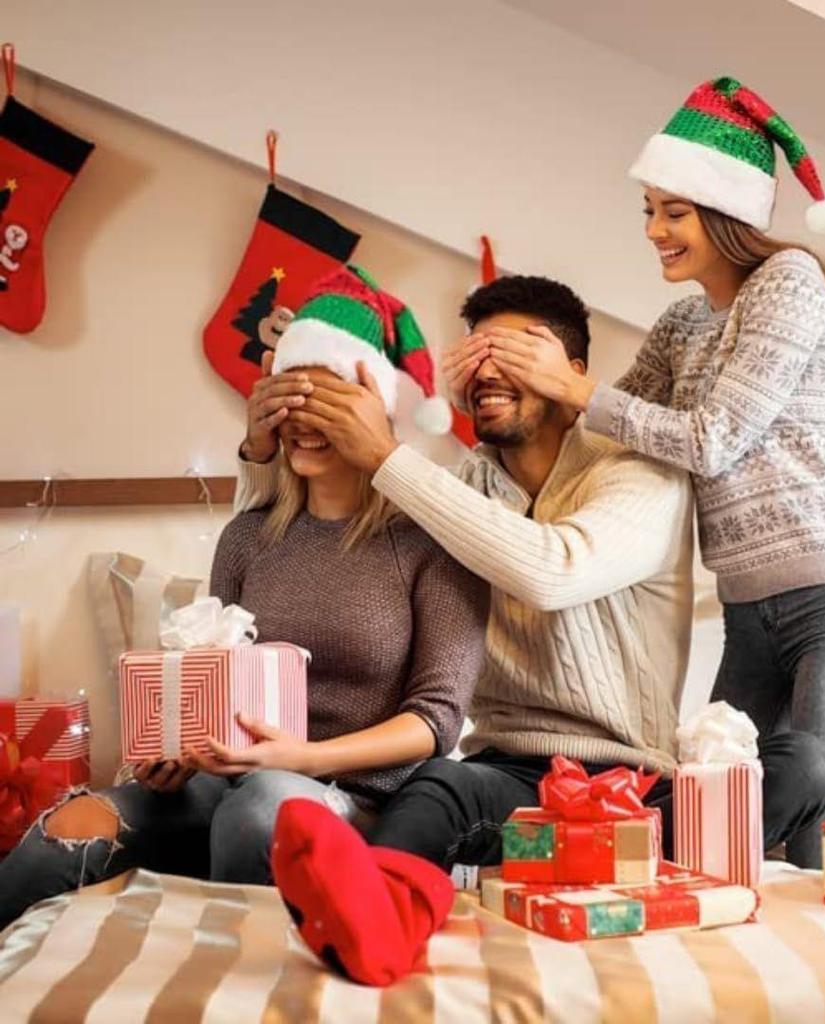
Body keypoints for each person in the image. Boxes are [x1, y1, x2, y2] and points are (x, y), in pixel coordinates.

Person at [234, 273, 825, 985]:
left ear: (575, 374)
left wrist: (389, 457)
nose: (494, 368)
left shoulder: (642, 472)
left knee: (803, 761)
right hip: (517, 778)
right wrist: (262, 450)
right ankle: (382, 918)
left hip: (640, 783)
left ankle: (643, 862)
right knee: (436, 788)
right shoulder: (454, 487)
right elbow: (312, 526)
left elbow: (554, 572)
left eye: (522, 350)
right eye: (478, 354)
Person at [448, 77, 825, 869]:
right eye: (648, 211)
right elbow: (603, 434)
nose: (654, 229)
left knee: (820, 834)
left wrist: (573, 387)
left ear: (727, 215)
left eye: (673, 212)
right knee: (716, 820)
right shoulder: (685, 320)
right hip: (748, 610)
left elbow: (711, 438)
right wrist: (498, 398)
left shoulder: (789, 280)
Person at [0, 267, 487, 931]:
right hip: (225, 784)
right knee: (70, 823)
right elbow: (211, 671)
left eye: (326, 400)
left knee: (261, 807)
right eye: (287, 400)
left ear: (374, 408)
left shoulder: (433, 541)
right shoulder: (249, 537)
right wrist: (174, 754)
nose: (301, 421)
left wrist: (298, 758)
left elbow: (436, 723)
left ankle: (244, 986)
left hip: (357, 799)